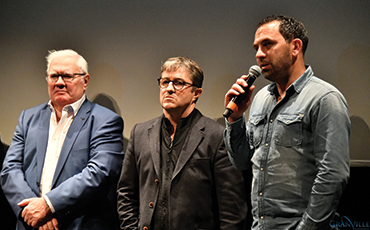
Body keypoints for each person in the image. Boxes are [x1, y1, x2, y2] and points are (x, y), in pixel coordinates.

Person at [224, 15, 350, 229]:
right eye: (256, 48)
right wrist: (235, 119)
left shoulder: (324, 98)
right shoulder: (261, 98)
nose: (259, 54)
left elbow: (333, 174)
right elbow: (242, 162)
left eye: (267, 44)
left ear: (295, 47)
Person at [117, 57, 248, 230]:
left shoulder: (216, 136)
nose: (169, 89)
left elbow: (232, 210)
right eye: (165, 82)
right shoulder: (140, 133)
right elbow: (126, 193)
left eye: (178, 83)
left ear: (196, 93)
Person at [1, 49, 124, 230]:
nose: (59, 83)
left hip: (77, 224)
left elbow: (99, 172)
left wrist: (48, 205)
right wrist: (32, 212)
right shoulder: (28, 118)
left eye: (67, 76)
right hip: (30, 224)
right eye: (54, 76)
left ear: (85, 81)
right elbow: (10, 169)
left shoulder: (105, 121)